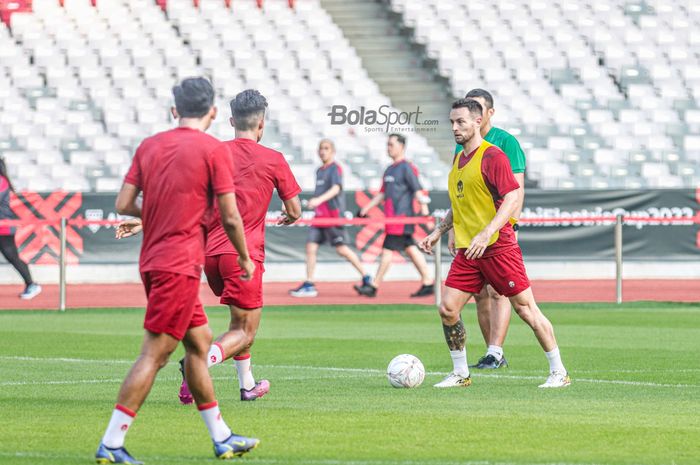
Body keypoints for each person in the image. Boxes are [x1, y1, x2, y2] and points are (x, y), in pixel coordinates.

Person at [96, 78, 259, 464]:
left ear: (174, 110)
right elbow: (231, 215)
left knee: (200, 345)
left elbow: (123, 202)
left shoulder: (150, 146)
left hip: (153, 261)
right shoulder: (212, 149)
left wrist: (156, 213)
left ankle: (222, 437)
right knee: (155, 354)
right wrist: (244, 257)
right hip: (179, 265)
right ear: (213, 112)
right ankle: (111, 443)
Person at [419, 98, 570, 389]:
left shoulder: (493, 156)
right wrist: (439, 231)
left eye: (461, 121)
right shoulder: (459, 159)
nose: (455, 127)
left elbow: (512, 197)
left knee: (526, 310)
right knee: (448, 308)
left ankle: (558, 371)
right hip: (468, 250)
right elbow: (460, 202)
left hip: (498, 248)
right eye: (452, 122)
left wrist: (487, 232)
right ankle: (461, 373)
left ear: (478, 122)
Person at [180, 89, 302, 403]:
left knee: (239, 323)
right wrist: (289, 217)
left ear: (232, 120)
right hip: (244, 255)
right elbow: (295, 209)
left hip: (212, 256)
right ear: (262, 124)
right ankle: (196, 366)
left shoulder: (213, 152)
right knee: (246, 330)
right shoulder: (273, 159)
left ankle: (247, 385)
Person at [451, 89, 526, 370]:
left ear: (488, 114)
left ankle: (496, 350)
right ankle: (491, 353)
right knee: (478, 294)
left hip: (497, 232)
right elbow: (460, 191)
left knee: (499, 292)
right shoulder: (461, 146)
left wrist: (512, 226)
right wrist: (450, 230)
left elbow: (515, 190)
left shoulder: (505, 142)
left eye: (480, 110)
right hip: (469, 232)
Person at [354, 133, 433, 298]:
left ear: (402, 147)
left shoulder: (406, 167)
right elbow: (382, 194)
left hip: (402, 219)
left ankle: (374, 286)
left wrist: (425, 212)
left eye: (391, 145)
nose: (388, 148)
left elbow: (418, 190)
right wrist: (365, 209)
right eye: (387, 145)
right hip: (391, 219)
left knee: (387, 251)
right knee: (410, 248)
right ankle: (428, 281)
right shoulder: (389, 169)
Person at [289, 139, 371, 297]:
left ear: (333, 151)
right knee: (310, 247)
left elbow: (336, 188)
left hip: (332, 217)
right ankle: (309, 282)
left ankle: (366, 276)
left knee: (342, 249)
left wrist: (318, 200)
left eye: (326, 148)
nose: (322, 151)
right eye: (320, 148)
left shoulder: (335, 168)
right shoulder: (319, 170)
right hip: (319, 218)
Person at [0, 158, 41, 300]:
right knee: (11, 256)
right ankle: (31, 284)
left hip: (3, 226)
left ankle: (31, 284)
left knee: (12, 256)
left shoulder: (1, 181)